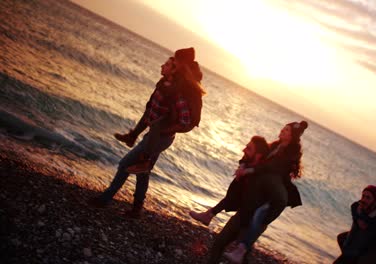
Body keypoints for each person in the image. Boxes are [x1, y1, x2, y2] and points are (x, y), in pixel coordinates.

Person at [88, 47, 205, 218]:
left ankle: (105, 199)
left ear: (175, 68)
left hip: (160, 138)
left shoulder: (177, 91)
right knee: (143, 172)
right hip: (154, 136)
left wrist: (164, 129)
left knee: (124, 165)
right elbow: (151, 111)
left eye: (167, 64)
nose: (161, 65)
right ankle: (137, 209)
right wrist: (136, 132)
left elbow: (186, 121)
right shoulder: (164, 84)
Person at [224, 121, 307, 263]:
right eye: (284, 128)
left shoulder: (290, 154)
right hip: (261, 192)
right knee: (249, 217)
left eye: (287, 130)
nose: (282, 130)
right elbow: (258, 155)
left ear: (292, 136)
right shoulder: (275, 146)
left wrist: (248, 170)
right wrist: (243, 164)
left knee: (258, 217)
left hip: (274, 197)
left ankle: (242, 249)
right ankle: (238, 248)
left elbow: (271, 167)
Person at [189, 136, 270, 226]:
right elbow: (243, 160)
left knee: (237, 190)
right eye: (246, 146)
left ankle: (209, 215)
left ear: (258, 156)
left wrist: (244, 171)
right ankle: (209, 215)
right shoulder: (250, 165)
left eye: (249, 149)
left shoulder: (258, 179)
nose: (244, 150)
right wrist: (242, 167)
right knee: (236, 187)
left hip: (254, 214)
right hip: (242, 199)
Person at [334, 185, 376, 264]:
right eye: (363, 196)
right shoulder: (359, 207)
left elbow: (365, 225)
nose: (364, 199)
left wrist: (359, 215)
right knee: (340, 237)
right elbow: (354, 205)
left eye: (368, 197)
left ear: (375, 200)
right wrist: (357, 216)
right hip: (350, 248)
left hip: (360, 254)